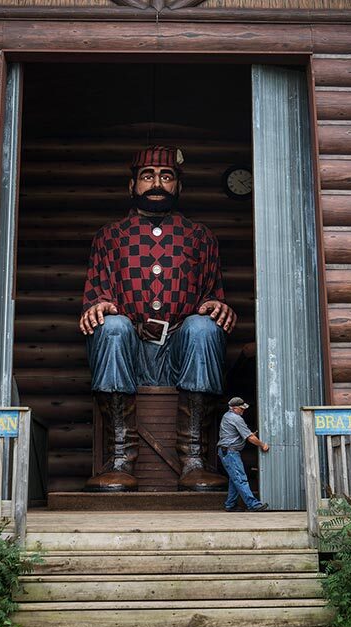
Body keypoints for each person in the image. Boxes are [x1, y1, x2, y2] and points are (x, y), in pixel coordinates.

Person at [80, 146, 237, 493]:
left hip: (180, 351)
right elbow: (96, 298)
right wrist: (98, 308)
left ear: (179, 185)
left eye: (166, 176)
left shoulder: (200, 237)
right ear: (132, 184)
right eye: (147, 175)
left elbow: (213, 296)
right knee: (113, 327)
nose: (157, 183)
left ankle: (194, 459)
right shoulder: (109, 236)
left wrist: (217, 307)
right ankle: (120, 457)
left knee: (204, 327)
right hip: (128, 352)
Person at [218, 397, 270, 511]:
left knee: (234, 479)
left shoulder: (227, 416)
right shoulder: (236, 418)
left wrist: (250, 434)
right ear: (235, 408)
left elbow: (238, 435)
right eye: (241, 409)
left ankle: (230, 505)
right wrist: (262, 445)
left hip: (227, 451)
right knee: (240, 478)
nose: (243, 411)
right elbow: (250, 438)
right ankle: (253, 505)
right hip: (230, 452)